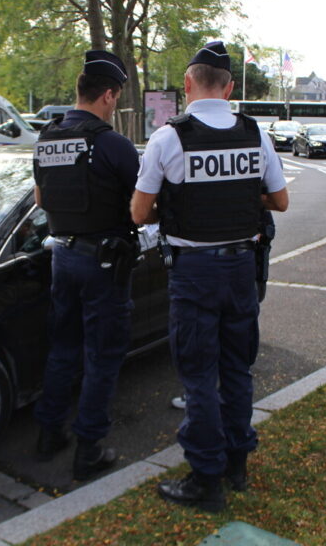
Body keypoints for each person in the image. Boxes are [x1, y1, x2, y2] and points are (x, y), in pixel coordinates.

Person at [131, 40, 289, 512]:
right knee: (236, 368)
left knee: (199, 375)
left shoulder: (168, 137)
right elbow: (279, 201)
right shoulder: (254, 133)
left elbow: (139, 214)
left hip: (195, 271)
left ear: (188, 84)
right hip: (242, 266)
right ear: (230, 86)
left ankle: (205, 478)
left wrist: (184, 202)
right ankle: (237, 462)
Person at [32, 49, 141, 481]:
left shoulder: (48, 137)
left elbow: (42, 200)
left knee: (63, 349)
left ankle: (48, 434)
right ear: (109, 96)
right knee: (102, 355)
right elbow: (143, 207)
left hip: (62, 256)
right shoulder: (113, 144)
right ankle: (88, 449)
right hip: (104, 264)